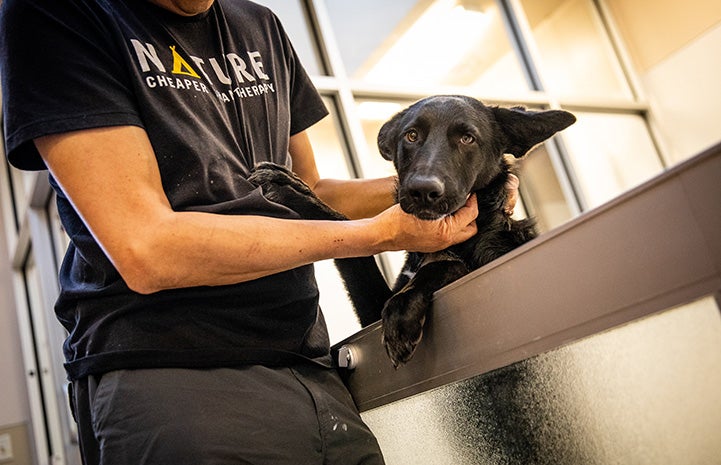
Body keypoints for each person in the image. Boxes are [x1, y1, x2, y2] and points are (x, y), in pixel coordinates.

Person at [1, 1, 516, 464]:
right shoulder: (59, 15)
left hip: (311, 367)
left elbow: (311, 191)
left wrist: (447, 185)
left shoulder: (261, 26)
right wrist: (375, 235)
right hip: (174, 374)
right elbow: (147, 249)